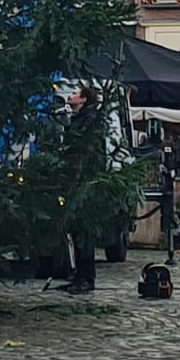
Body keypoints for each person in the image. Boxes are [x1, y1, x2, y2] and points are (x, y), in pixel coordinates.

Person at [62, 84, 106, 294]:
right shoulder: (78, 119)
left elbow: (87, 151)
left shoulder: (90, 120)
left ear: (84, 99)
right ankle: (79, 274)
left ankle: (86, 277)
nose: (70, 95)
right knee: (76, 231)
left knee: (84, 231)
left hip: (85, 181)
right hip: (75, 181)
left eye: (75, 93)